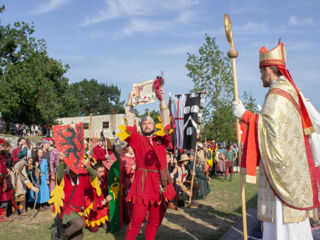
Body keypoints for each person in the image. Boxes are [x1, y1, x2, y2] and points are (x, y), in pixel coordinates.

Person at [232, 42, 319, 240]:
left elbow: (271, 132)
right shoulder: (289, 91)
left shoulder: (277, 95)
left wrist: (245, 115)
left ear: (269, 70)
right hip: (292, 173)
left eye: (261, 71)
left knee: (282, 230)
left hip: (282, 181)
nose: (260, 76)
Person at [124, 83, 176, 240]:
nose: (147, 125)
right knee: (136, 220)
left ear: (154, 125)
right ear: (141, 127)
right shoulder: (137, 140)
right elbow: (129, 124)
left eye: (150, 123)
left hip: (160, 183)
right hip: (143, 183)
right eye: (144, 123)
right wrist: (130, 101)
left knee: (155, 221)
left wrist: (162, 101)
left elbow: (166, 124)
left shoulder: (162, 139)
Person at [50, 152, 102, 240]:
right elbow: (58, 177)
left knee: (78, 237)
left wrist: (87, 166)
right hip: (67, 209)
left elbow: (93, 176)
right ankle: (62, 237)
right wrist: (62, 162)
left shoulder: (82, 177)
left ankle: (64, 231)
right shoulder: (65, 177)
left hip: (79, 211)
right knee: (79, 224)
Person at [85, 163, 113, 232]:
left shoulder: (103, 179)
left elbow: (105, 191)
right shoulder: (90, 182)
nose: (103, 173)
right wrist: (106, 200)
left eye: (103, 171)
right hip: (92, 207)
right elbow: (91, 201)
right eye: (100, 172)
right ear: (94, 171)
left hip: (101, 205)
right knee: (94, 230)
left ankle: (104, 222)